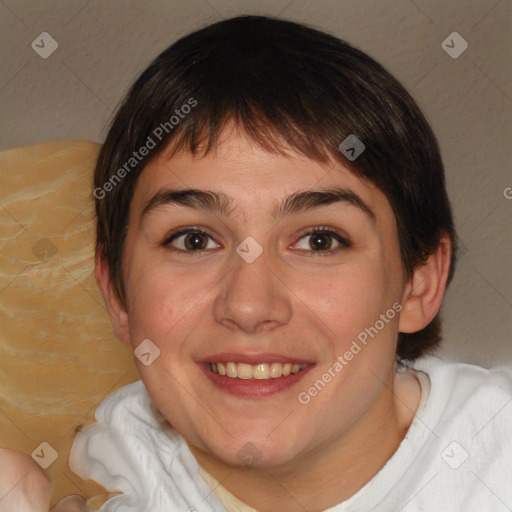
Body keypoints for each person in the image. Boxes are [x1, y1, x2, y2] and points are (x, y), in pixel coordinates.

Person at [3, 14, 511, 512]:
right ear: (116, 292)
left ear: (419, 283)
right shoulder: (104, 470)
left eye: (319, 241)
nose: (248, 305)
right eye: (195, 240)